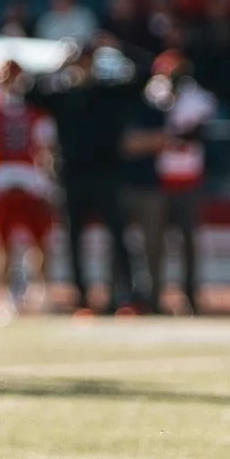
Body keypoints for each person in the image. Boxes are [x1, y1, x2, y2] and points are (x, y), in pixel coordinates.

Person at [33, 40, 145, 314]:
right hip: (73, 177)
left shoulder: (108, 91)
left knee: (118, 237)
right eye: (79, 61)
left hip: (108, 174)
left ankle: (124, 293)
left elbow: (143, 74)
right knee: (74, 239)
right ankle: (82, 295)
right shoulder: (63, 95)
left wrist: (118, 46)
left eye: (87, 60)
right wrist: (60, 64)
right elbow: (31, 92)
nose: (83, 66)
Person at [0, 60, 59, 317]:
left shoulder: (37, 113)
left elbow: (46, 151)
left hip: (31, 178)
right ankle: (5, 297)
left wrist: (48, 182)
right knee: (2, 243)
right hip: (1, 178)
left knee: (40, 241)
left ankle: (41, 293)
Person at [145, 50, 213, 315]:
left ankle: (191, 295)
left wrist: (172, 135)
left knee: (188, 242)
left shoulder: (197, 96)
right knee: (155, 242)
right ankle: (154, 295)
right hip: (159, 178)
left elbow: (196, 131)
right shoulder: (152, 94)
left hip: (188, 177)